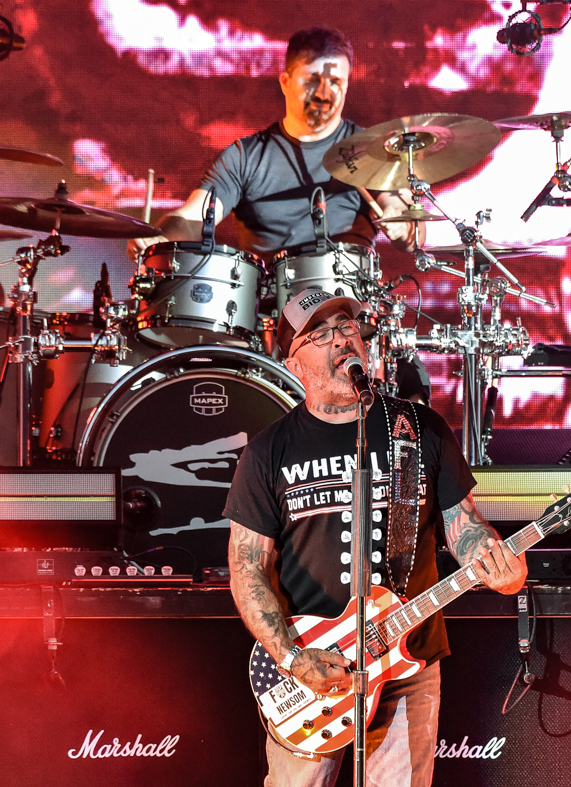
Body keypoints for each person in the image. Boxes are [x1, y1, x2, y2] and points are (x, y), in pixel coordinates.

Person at [223, 288, 528, 787]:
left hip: (407, 661)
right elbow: (247, 569)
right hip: (312, 668)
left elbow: (463, 526)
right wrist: (291, 657)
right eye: (319, 335)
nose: (341, 341)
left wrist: (497, 563)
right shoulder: (267, 453)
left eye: (346, 328)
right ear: (293, 362)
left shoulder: (417, 430)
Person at [127, 25, 421, 261]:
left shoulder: (370, 150)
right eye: (312, 80)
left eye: (336, 83)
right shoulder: (246, 157)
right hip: (267, 315)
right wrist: (161, 237)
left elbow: (409, 228)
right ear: (284, 81)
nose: (323, 94)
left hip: (348, 313)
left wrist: (402, 222)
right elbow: (194, 217)